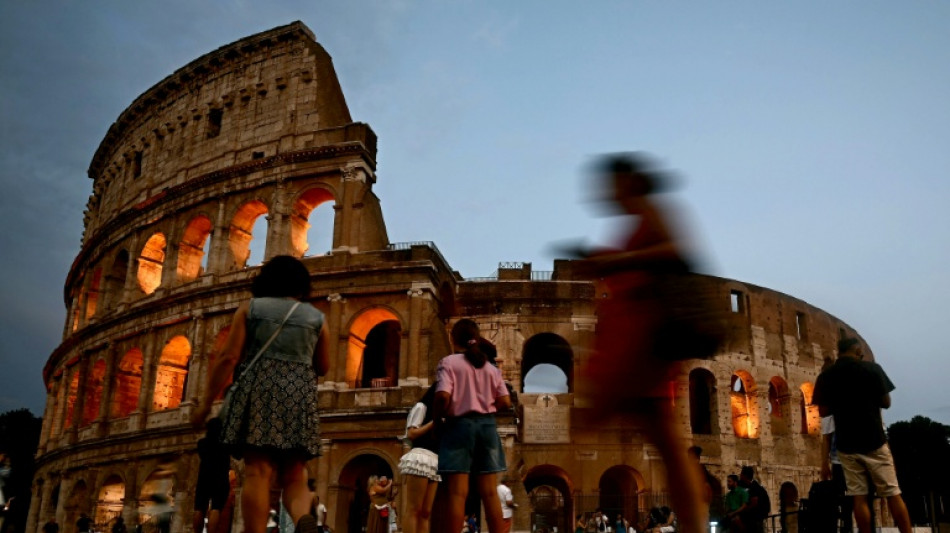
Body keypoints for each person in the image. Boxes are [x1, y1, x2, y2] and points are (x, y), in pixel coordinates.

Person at [576, 153, 708, 533]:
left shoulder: (652, 211)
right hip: (637, 335)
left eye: (611, 183)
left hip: (645, 337)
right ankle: (694, 525)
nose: (605, 193)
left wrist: (616, 261)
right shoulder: (641, 217)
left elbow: (674, 253)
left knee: (663, 440)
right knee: (663, 439)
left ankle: (694, 525)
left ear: (629, 182)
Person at [191, 256, 330, 533]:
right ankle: (303, 517)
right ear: (302, 285)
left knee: (258, 470)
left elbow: (229, 357)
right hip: (298, 395)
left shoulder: (250, 309)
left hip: (259, 392)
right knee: (295, 474)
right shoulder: (316, 318)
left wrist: (206, 402)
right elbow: (323, 367)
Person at [813, 337, 912, 533]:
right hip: (874, 440)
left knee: (858, 496)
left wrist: (841, 403)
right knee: (892, 492)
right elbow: (886, 402)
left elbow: (823, 412)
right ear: (858, 351)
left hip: (847, 445)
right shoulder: (872, 369)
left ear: (839, 351)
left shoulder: (826, 376)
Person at [433, 319, 512, 533]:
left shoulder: (449, 363)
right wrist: (486, 405)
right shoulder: (490, 368)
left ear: (452, 338)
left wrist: (438, 417)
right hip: (487, 426)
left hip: (458, 425)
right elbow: (505, 402)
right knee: (490, 493)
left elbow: (442, 396)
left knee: (458, 493)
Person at [398, 383, 440, 533]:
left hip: (435, 460)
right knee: (414, 509)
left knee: (426, 512)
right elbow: (411, 433)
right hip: (421, 456)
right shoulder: (421, 407)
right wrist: (433, 423)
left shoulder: (442, 414)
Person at [193, 418, 230, 533]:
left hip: (204, 477)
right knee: (216, 508)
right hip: (220, 477)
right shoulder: (225, 444)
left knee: (199, 508)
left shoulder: (202, 443)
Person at [737, 467, 769, 533]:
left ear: (744, 476)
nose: (740, 475)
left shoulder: (755, 488)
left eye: (741, 474)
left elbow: (754, 504)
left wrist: (741, 510)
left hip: (754, 521)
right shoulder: (744, 486)